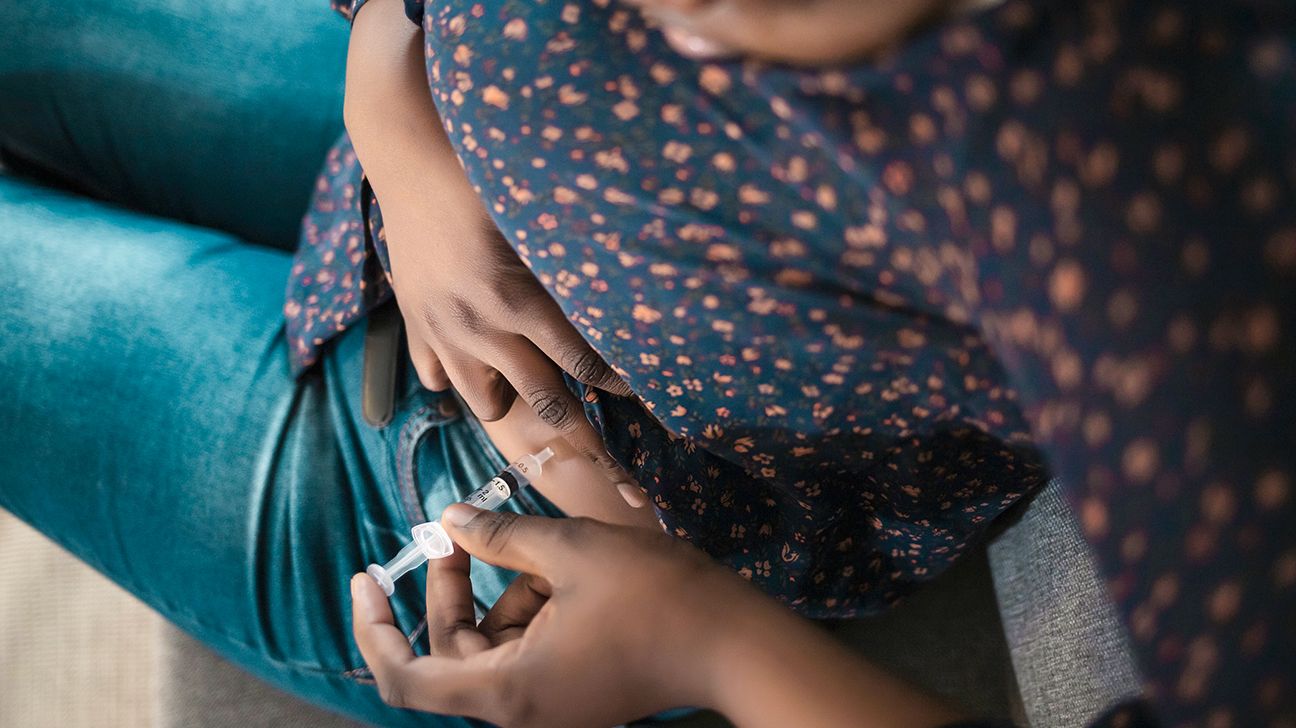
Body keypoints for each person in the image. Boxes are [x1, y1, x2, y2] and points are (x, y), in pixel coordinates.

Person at [0, 0, 1040, 726]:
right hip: (383, 127)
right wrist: (388, 66)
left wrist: (706, 635)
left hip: (480, 524)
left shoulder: (1128, 200)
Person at [338, 0, 1293, 725]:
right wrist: (385, 82)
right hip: (375, 161)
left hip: (528, 511)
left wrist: (704, 642)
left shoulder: (1173, 203)